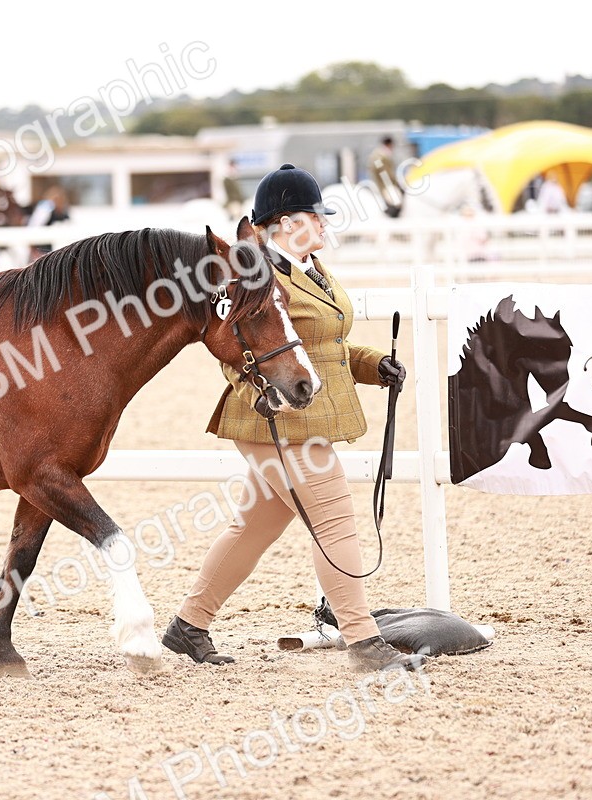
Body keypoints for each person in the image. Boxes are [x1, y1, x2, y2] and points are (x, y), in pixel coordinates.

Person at [162, 163, 423, 673]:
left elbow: (323, 346)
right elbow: (231, 348)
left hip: (309, 413)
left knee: (255, 527)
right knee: (333, 518)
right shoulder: (251, 274)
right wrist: (259, 392)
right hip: (272, 419)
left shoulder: (311, 269)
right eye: (315, 215)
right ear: (284, 221)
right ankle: (363, 640)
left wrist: (372, 365)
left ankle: (189, 626)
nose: (325, 224)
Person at [27, 185, 71, 256]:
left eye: (60, 199)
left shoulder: (64, 214)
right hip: (42, 249)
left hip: (60, 249)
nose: (58, 201)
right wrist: (33, 249)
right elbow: (34, 227)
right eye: (55, 199)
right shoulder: (45, 211)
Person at [368, 136, 403, 218]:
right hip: (384, 184)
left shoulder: (377, 154)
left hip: (381, 182)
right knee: (396, 200)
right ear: (389, 144)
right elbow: (386, 173)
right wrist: (397, 183)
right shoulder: (382, 155)